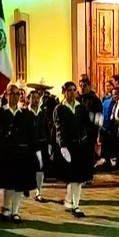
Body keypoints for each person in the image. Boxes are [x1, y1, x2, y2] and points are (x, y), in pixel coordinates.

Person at [0, 84, 39, 222]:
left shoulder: (26, 114)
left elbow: (31, 135)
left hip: (22, 153)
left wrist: (35, 152)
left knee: (19, 185)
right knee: (9, 184)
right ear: (6, 95)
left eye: (17, 94)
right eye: (11, 94)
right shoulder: (0, 113)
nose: (14, 97)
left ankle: (16, 211)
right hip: (7, 154)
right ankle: (6, 207)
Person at [53, 81, 94, 217]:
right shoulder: (59, 109)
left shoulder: (81, 108)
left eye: (73, 90)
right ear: (64, 92)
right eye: (69, 90)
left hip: (80, 146)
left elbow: (86, 124)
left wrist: (95, 122)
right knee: (72, 177)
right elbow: (59, 128)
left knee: (79, 178)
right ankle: (70, 201)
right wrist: (62, 146)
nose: (72, 93)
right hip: (68, 147)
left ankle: (75, 204)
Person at [28, 89, 50, 202]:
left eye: (37, 98)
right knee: (27, 167)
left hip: (40, 144)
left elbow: (47, 128)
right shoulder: (25, 113)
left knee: (40, 167)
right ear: (29, 99)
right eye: (33, 98)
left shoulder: (43, 113)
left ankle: (38, 191)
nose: (36, 100)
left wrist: (49, 143)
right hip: (28, 145)